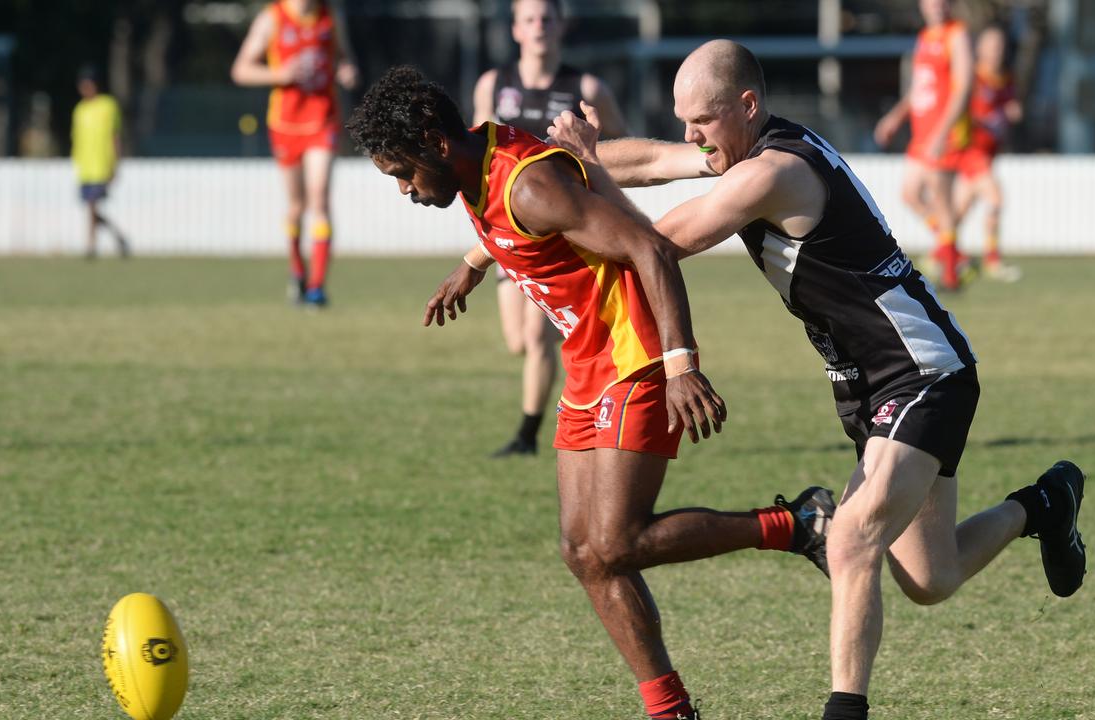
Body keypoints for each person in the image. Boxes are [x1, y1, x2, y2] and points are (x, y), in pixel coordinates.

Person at [548, 40, 1087, 720]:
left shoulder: (774, 171)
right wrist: (570, 161)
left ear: (746, 105)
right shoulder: (742, 145)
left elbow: (657, 244)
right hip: (869, 386)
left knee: (852, 536)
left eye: (702, 122)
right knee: (930, 575)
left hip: (921, 371)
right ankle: (1043, 505)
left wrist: (584, 178)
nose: (692, 137)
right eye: (686, 122)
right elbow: (653, 159)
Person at [349, 65, 836, 720]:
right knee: (583, 554)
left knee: (615, 543)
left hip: (633, 355)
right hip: (588, 364)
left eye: (403, 174)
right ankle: (671, 711)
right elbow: (516, 228)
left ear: (437, 144)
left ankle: (799, 525)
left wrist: (681, 364)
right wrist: (471, 266)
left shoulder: (529, 187)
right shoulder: (475, 158)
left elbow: (648, 250)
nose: (407, 191)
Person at [471, 0, 629, 456]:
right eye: (529, 19)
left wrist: (591, 161)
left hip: (560, 231)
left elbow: (617, 144)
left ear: (562, 26)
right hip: (507, 230)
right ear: (516, 30)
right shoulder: (493, 85)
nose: (539, 26)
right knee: (518, 342)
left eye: (546, 18)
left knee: (539, 338)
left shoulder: (585, 86)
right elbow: (477, 147)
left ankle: (526, 435)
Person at [231, 0, 358, 307]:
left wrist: (346, 69)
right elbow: (241, 70)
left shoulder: (330, 15)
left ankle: (317, 286)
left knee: (320, 199)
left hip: (323, 119)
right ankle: (297, 270)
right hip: (286, 123)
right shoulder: (272, 18)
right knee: (297, 205)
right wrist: (280, 74)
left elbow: (343, 56)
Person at [874, 0, 973, 291]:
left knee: (941, 201)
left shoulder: (957, 35)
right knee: (910, 193)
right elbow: (919, 89)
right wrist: (895, 117)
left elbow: (964, 86)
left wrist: (943, 132)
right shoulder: (924, 38)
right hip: (922, 133)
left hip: (943, 133)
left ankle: (952, 274)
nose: (937, 6)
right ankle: (953, 252)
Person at [952, 25, 1023, 282]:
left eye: (1000, 47)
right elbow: (970, 113)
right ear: (979, 48)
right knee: (996, 199)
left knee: (957, 213)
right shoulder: (972, 78)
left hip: (988, 154)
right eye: (992, 46)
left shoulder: (1005, 79)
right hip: (973, 153)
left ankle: (943, 255)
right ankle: (992, 260)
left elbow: (1005, 108)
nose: (996, 52)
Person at [71, 65, 130, 260]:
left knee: (92, 206)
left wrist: (116, 163)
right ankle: (118, 237)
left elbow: (115, 136)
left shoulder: (108, 106)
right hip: (85, 168)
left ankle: (91, 246)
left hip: (102, 165)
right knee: (91, 207)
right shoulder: (79, 110)